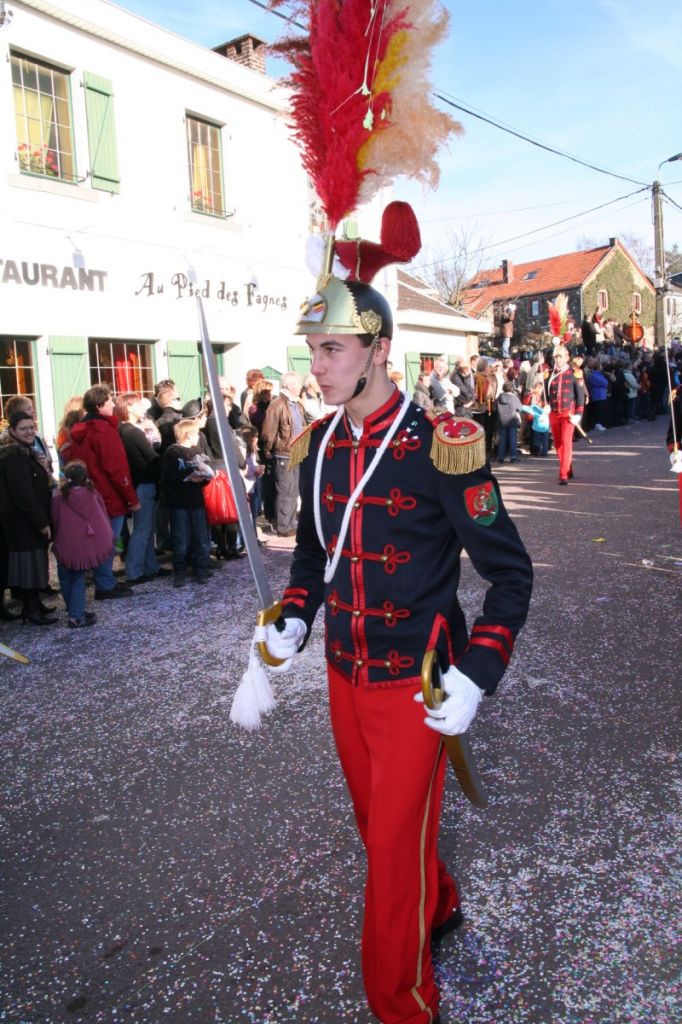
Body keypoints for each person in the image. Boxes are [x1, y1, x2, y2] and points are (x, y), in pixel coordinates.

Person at [251, 236, 533, 1024]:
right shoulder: (318, 448)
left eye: (332, 348)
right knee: (379, 827)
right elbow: (312, 562)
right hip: (344, 674)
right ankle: (440, 900)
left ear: (378, 349)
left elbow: (512, 577)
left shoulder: (443, 448)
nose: (318, 365)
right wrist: (294, 621)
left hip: (420, 683)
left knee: (386, 865)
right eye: (312, 349)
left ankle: (403, 1003)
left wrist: (477, 674)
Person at [68, 385, 140, 599]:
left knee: (104, 541)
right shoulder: (102, 430)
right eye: (110, 401)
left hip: (92, 494)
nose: (113, 404)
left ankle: (105, 580)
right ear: (99, 405)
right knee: (109, 541)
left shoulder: (81, 429)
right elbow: (116, 468)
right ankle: (105, 583)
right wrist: (131, 499)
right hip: (108, 496)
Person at [0, 411, 56, 625]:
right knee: (28, 564)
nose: (29, 431)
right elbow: (22, 493)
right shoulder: (15, 456)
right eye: (24, 428)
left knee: (35, 561)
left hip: (28, 518)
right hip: (22, 521)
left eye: (32, 427)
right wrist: (41, 521)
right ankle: (30, 608)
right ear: (13, 430)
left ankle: (35, 604)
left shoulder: (26, 451)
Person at [51, 460, 114, 627]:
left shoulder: (59, 499)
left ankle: (73, 609)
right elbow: (102, 516)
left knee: (65, 578)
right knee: (78, 579)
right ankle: (76, 616)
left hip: (65, 544)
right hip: (84, 545)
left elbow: (55, 521)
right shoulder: (93, 494)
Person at [116, 392, 168, 585]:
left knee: (146, 528)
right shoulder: (132, 432)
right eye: (138, 403)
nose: (143, 407)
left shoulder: (122, 430)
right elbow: (153, 457)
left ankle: (149, 566)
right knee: (142, 529)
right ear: (129, 407)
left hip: (138, 483)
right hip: (143, 484)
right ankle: (135, 571)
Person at [162, 418, 214, 587]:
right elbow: (169, 475)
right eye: (196, 433)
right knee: (181, 539)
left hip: (196, 500)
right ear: (189, 434)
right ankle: (180, 572)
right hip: (179, 502)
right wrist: (188, 476)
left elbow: (205, 475)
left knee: (201, 538)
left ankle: (201, 569)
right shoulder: (172, 452)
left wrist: (203, 478)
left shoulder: (196, 451)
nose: (199, 437)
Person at [261, 371, 306, 537]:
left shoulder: (297, 404)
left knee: (294, 490)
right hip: (283, 453)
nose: (300, 386)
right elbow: (268, 430)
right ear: (289, 385)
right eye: (298, 383)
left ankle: (292, 522)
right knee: (285, 490)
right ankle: (283, 526)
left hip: (298, 452)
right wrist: (267, 450)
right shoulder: (277, 404)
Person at [548, 346, 584, 485]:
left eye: (560, 356)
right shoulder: (549, 375)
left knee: (566, 442)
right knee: (558, 444)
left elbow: (580, 396)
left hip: (568, 414)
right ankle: (568, 467)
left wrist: (579, 414)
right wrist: (545, 407)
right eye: (556, 357)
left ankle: (563, 474)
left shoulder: (575, 373)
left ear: (567, 358)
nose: (557, 359)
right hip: (554, 413)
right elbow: (547, 394)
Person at [495, 381, 522, 463]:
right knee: (512, 439)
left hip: (501, 420)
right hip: (512, 420)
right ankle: (513, 457)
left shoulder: (499, 398)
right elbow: (520, 408)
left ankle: (501, 457)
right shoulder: (514, 398)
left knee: (502, 439)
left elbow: (495, 407)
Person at [527, 382, 551, 456]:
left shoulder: (541, 397)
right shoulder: (535, 396)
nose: (536, 389)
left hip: (539, 420)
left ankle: (540, 451)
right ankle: (541, 451)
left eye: (537, 388)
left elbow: (533, 407)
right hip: (541, 420)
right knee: (541, 437)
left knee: (538, 436)